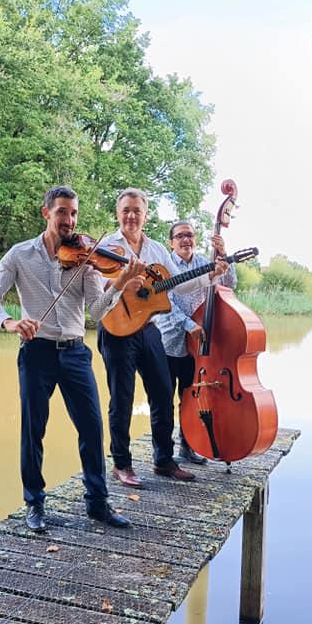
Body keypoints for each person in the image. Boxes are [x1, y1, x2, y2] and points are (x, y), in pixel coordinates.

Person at [0, 185, 141, 533]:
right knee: (33, 430)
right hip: (36, 353)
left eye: (74, 213)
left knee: (92, 429)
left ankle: (98, 504)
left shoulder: (85, 259)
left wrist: (119, 284)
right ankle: (34, 503)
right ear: (46, 213)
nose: (70, 220)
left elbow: (96, 311)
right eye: (63, 212)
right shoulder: (20, 255)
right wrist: (8, 321)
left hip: (75, 353)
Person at [97, 189, 227, 488]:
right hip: (116, 329)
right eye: (126, 210)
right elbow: (97, 290)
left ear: (146, 215)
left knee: (162, 393)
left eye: (137, 211)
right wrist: (122, 283)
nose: (131, 215)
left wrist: (211, 274)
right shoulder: (107, 247)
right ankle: (122, 464)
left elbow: (173, 289)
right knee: (122, 398)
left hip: (148, 330)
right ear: (118, 214)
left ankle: (164, 460)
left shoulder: (156, 249)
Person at [154, 221, 237, 465]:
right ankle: (163, 455)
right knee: (163, 402)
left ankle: (187, 447)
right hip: (168, 341)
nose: (185, 240)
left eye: (189, 235)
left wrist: (223, 255)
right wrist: (190, 326)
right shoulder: (164, 267)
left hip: (198, 349)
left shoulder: (204, 262)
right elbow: (165, 303)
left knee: (190, 399)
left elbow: (229, 285)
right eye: (180, 236)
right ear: (171, 242)